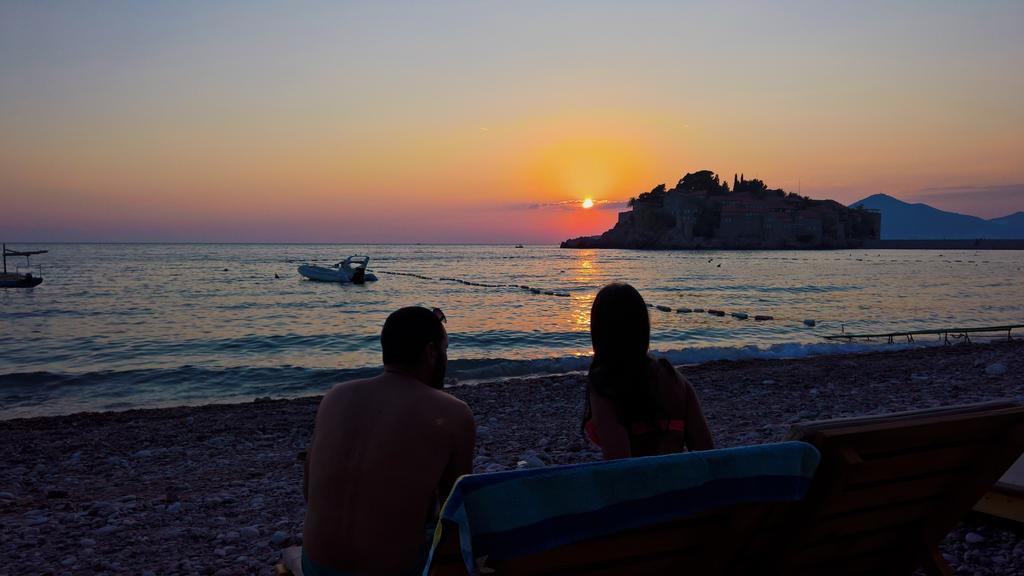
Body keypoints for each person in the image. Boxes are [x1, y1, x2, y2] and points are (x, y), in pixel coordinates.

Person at [303, 306, 475, 575]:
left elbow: (308, 491)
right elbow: (455, 512)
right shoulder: (454, 412)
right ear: (431, 352)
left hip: (316, 565)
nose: (446, 357)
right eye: (446, 349)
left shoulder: (335, 397)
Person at [581, 283, 714, 459]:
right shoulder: (675, 379)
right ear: (643, 326)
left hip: (640, 485)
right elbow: (706, 452)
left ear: (599, 331)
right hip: (680, 483)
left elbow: (620, 464)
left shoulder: (605, 385)